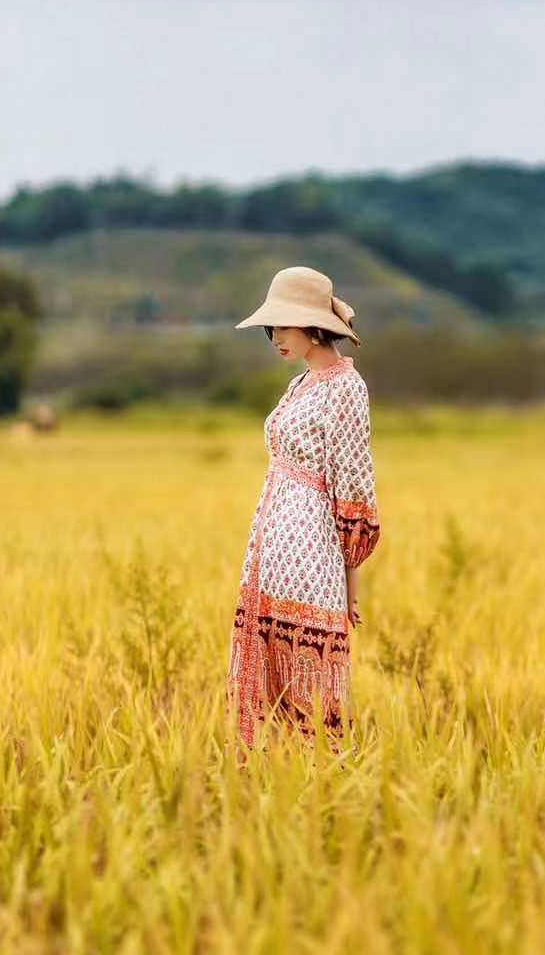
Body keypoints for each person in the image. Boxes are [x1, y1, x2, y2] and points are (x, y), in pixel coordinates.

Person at [225, 266, 381, 754]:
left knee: (307, 684)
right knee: (268, 677)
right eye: (271, 330)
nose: (274, 338)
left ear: (316, 326)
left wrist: (351, 584)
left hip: (312, 552)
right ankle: (269, 782)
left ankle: (321, 786)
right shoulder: (302, 385)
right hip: (272, 550)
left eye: (283, 327)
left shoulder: (347, 389)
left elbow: (354, 489)